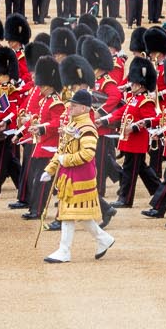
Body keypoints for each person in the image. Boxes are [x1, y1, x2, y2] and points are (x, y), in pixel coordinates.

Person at [44, 89, 114, 262]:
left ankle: (64, 251)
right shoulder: (73, 124)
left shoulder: (87, 127)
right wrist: (50, 169)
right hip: (70, 175)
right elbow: (62, 149)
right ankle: (103, 239)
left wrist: (65, 160)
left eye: (73, 106)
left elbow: (87, 154)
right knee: (79, 214)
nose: (70, 109)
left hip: (80, 176)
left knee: (68, 213)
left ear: (84, 108)